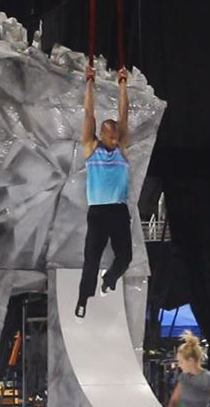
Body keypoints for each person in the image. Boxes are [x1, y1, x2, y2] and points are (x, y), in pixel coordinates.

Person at [76, 64, 131, 318]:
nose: (116, 141)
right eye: (111, 138)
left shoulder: (122, 149)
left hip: (118, 211)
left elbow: (124, 114)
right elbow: (89, 113)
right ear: (102, 135)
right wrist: (89, 82)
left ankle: (109, 280)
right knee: (91, 259)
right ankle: (83, 299)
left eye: (117, 137)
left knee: (125, 257)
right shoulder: (92, 147)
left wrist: (122, 84)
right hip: (97, 212)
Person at [166, 331, 210, 407]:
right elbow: (173, 401)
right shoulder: (184, 377)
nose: (179, 365)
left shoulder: (209, 379)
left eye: (181, 361)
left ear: (191, 361)